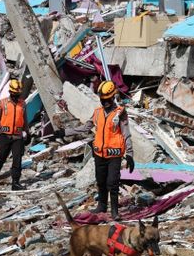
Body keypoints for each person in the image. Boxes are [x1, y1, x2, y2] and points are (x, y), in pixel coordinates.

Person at [54, 81, 134, 220]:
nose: (105, 103)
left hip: (114, 154)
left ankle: (114, 211)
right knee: (101, 181)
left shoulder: (120, 113)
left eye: (107, 100)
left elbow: (126, 134)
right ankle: (102, 206)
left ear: (113, 97)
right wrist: (65, 132)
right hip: (99, 154)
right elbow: (85, 127)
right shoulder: (97, 113)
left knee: (112, 183)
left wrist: (130, 155)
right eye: (102, 100)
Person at [0, 79, 30, 191]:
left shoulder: (23, 104)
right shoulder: (2, 103)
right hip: (5, 135)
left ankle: (15, 182)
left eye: (18, 93)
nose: (16, 95)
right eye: (14, 93)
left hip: (17, 136)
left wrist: (27, 132)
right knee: (1, 158)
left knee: (17, 159)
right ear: (10, 92)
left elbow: (24, 119)